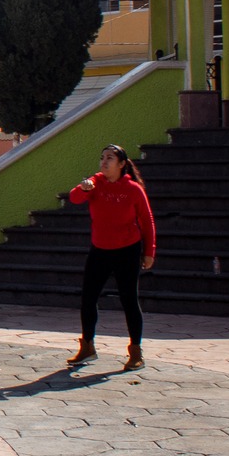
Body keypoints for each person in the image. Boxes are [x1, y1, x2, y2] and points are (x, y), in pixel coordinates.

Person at [67, 144, 157, 371]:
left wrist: (149, 252)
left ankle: (135, 351)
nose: (104, 162)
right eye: (102, 158)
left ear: (121, 164)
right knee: (88, 297)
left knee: (129, 300)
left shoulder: (134, 189)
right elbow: (75, 198)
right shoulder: (94, 183)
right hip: (100, 249)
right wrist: (84, 189)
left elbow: (147, 221)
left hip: (128, 249)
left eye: (110, 158)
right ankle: (87, 347)